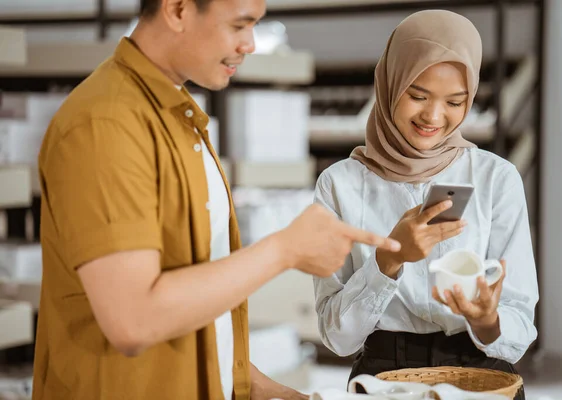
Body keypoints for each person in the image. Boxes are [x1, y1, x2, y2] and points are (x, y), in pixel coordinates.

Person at [31, 0, 402, 399]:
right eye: (239, 26)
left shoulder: (176, 117)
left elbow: (193, 309)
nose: (250, 44)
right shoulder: (105, 126)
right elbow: (134, 320)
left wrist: (266, 390)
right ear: (177, 10)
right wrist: (284, 250)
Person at [312, 10, 538, 400]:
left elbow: (517, 329)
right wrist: (389, 260)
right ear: (388, 84)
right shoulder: (339, 184)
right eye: (417, 96)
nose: (434, 116)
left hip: (482, 375)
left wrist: (487, 320)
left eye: (455, 101)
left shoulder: (494, 178)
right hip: (384, 378)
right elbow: (338, 336)